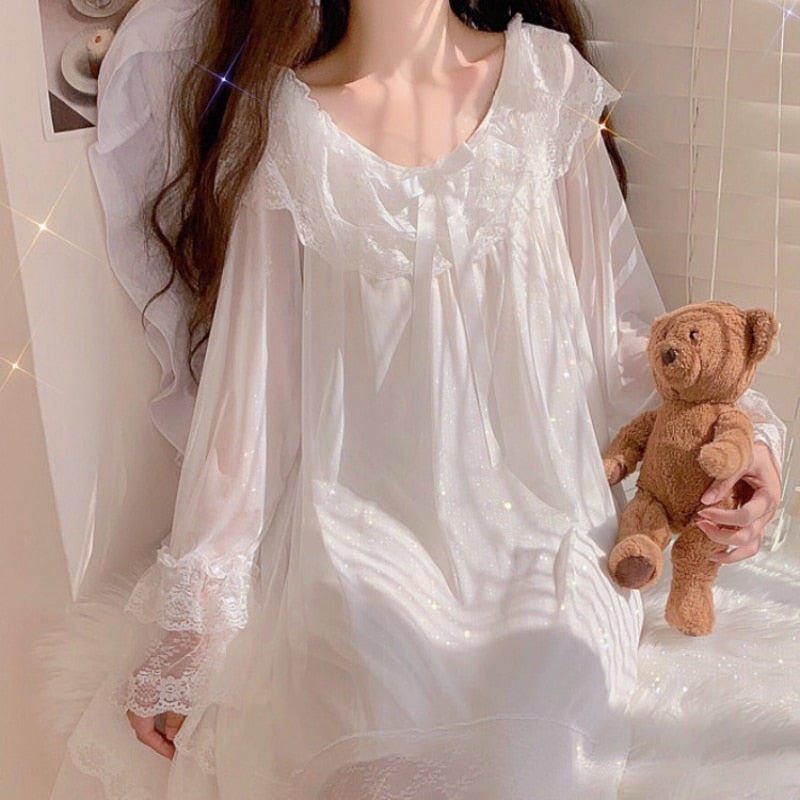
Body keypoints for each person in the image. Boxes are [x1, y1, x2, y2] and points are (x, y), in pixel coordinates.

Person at [49, 0, 785, 798]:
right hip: (355, 541)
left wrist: (745, 442)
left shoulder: (545, 89)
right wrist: (192, 615)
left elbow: (619, 336)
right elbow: (251, 401)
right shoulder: (290, 134)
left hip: (539, 540)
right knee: (366, 763)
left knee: (525, 765)